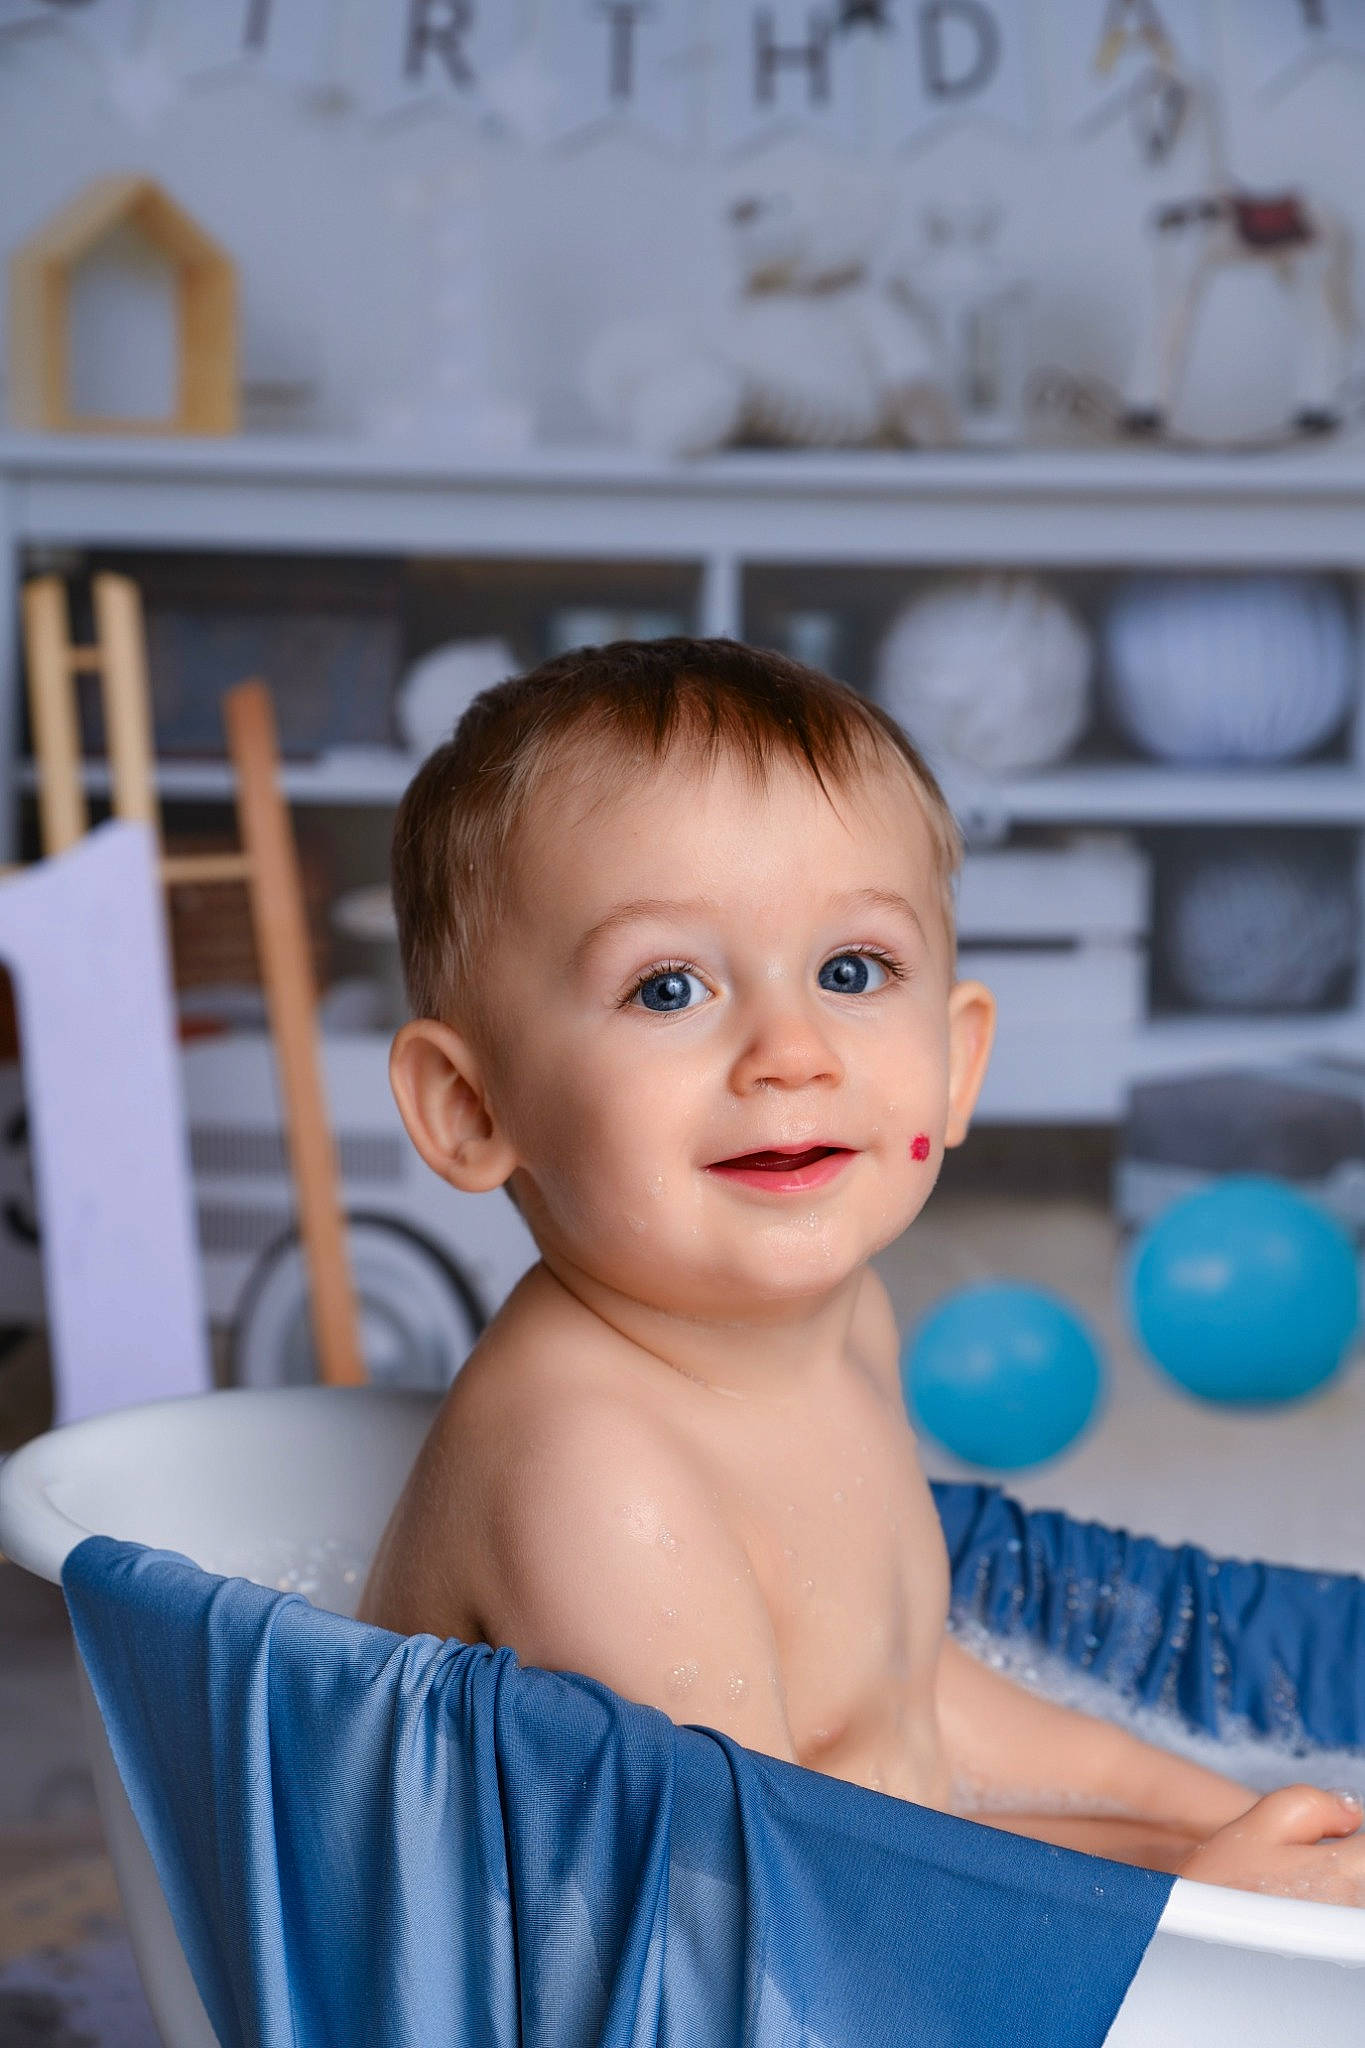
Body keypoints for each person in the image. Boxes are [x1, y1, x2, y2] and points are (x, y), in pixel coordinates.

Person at [359, 636, 1363, 1903]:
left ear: (956, 1065)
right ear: (468, 1102)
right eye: (668, 985)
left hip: (869, 1895)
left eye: (852, 971)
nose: (790, 1049)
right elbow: (769, 1919)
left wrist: (1222, 1812)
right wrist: (1205, 1909)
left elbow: (902, 1689)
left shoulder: (846, 1324)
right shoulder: (600, 1481)